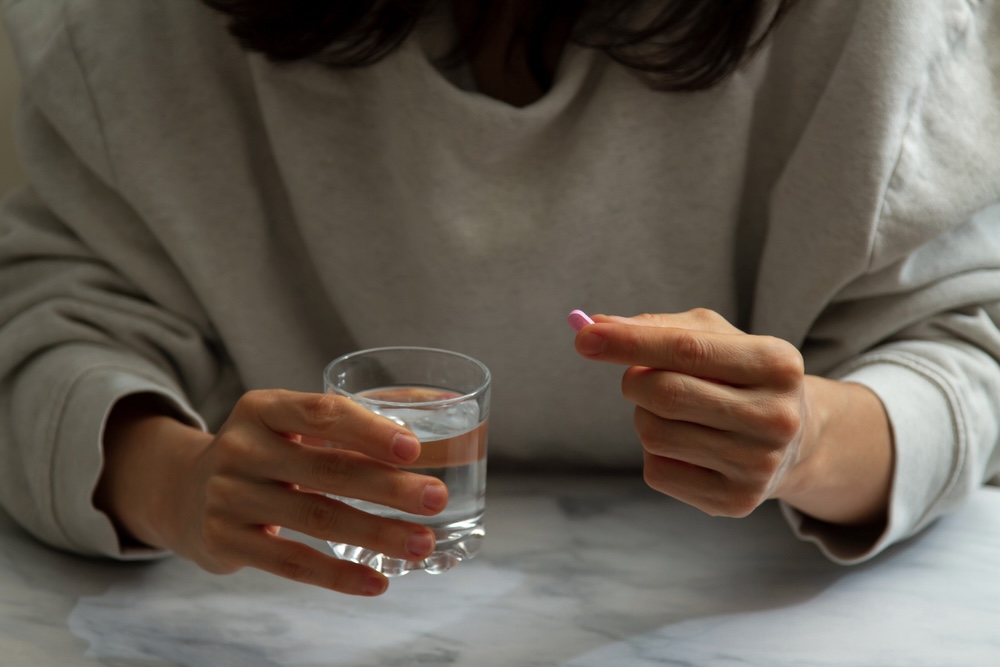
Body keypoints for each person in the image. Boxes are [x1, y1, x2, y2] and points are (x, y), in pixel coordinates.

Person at [1, 0, 998, 597]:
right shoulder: (145, 28)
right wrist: (173, 482)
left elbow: (962, 351)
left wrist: (815, 440)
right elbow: (47, 319)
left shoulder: (867, 26)